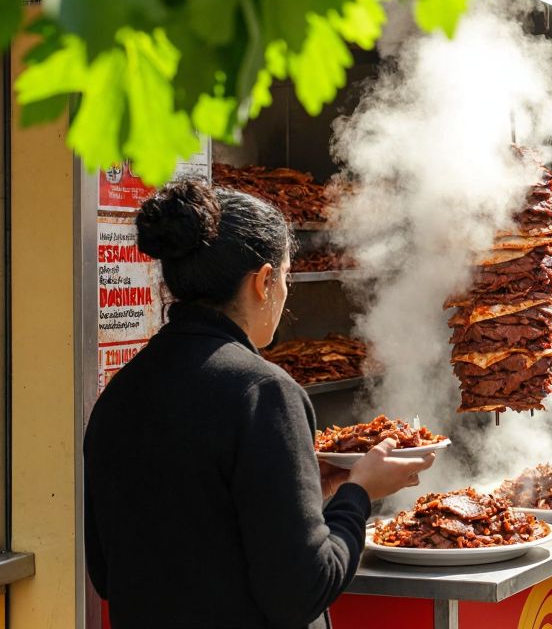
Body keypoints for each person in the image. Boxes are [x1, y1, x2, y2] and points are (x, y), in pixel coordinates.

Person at [84, 180, 433, 629]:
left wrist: (310, 491)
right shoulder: (263, 392)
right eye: (285, 278)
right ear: (264, 281)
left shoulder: (122, 391)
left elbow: (109, 573)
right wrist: (358, 494)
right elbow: (302, 590)